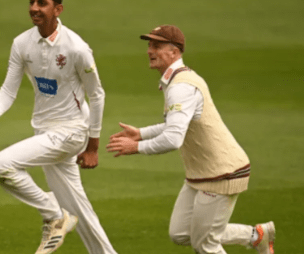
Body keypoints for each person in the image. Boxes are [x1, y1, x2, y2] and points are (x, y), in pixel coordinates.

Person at [107, 25, 275, 254]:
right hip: (201, 172)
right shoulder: (176, 80)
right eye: (149, 45)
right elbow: (177, 125)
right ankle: (256, 236)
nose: (149, 50)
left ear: (174, 52)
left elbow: (173, 139)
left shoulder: (181, 87)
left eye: (156, 45)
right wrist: (142, 133)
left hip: (222, 172)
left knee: (205, 244)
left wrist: (136, 146)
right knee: (181, 233)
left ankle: (256, 237)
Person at [0, 1, 118, 254]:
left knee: (0, 165)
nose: (34, 8)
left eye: (42, 3)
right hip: (44, 131)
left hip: (72, 131)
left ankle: (54, 213)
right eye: (31, 2)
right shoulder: (22, 43)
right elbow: (9, 87)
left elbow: (97, 95)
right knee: (81, 212)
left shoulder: (76, 47)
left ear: (58, 9)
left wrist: (93, 146)